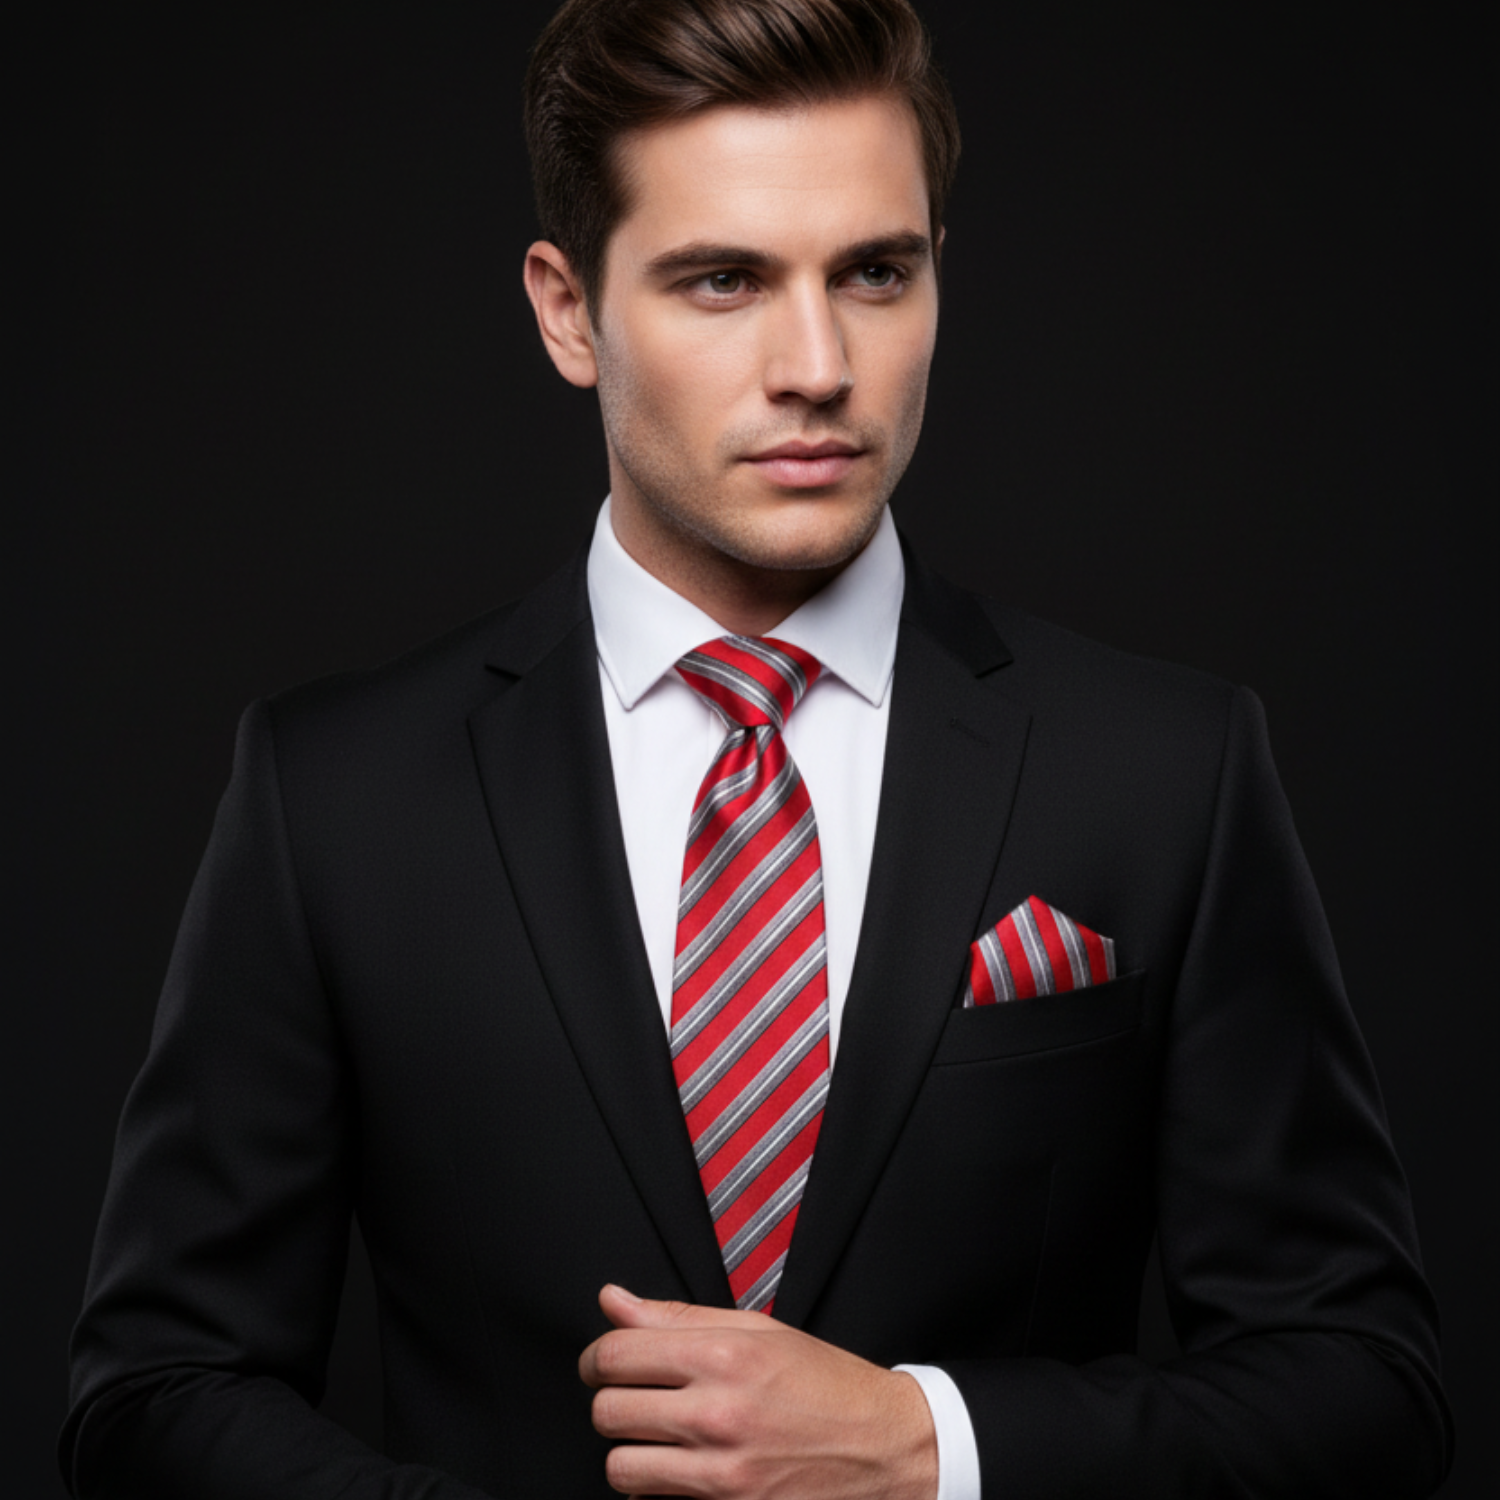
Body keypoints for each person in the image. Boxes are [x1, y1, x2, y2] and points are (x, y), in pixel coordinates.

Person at [60, 1, 1452, 1496]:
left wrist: (935, 1446)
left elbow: (1367, 1388)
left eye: (875, 272)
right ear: (567, 310)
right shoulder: (333, 796)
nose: (818, 364)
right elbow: (153, 1388)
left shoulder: (1167, 769)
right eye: (723, 279)